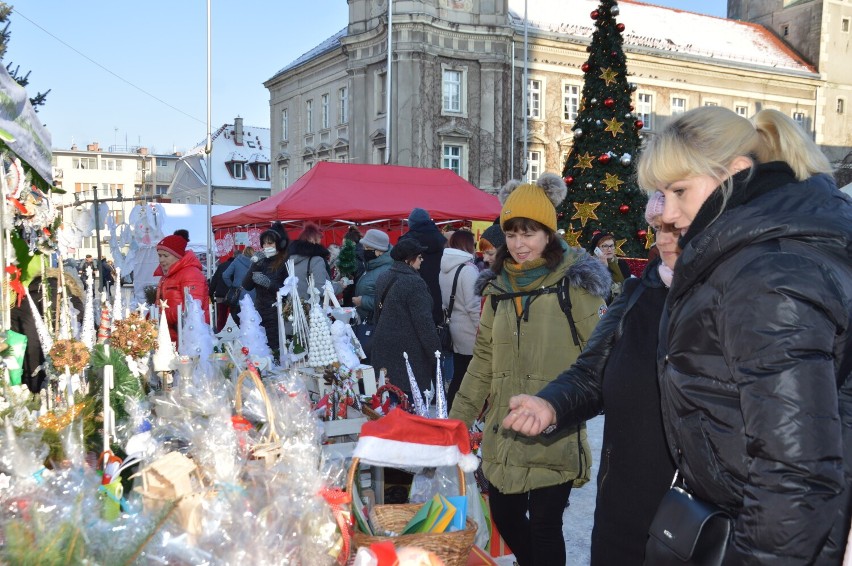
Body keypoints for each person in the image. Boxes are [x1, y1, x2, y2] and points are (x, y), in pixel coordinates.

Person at [635, 106, 852, 564]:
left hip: (765, 538)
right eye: (661, 193)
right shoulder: (747, 255)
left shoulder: (769, 270)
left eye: (679, 191)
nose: (668, 214)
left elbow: (797, 471)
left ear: (735, 173)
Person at [502, 192, 679, 566]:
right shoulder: (637, 296)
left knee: (544, 524)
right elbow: (591, 372)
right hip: (625, 505)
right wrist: (550, 403)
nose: (663, 240)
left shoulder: (739, 300)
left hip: (696, 507)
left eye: (677, 229)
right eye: (659, 228)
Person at [449, 173, 610, 566]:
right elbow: (482, 361)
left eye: (531, 233)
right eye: (513, 234)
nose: (520, 245)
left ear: (549, 234)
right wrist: (456, 421)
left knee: (545, 524)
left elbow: (603, 354)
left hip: (553, 425)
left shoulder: (575, 285)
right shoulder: (498, 289)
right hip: (505, 427)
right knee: (504, 514)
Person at [370, 238, 441, 395]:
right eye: (419, 257)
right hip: (408, 358)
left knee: (386, 404)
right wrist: (436, 354)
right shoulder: (414, 283)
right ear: (409, 259)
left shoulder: (383, 276)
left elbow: (377, 315)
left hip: (383, 350)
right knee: (408, 408)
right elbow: (425, 325)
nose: (422, 260)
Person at [438, 230, 481, 409]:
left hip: (455, 327)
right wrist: (484, 330)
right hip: (470, 331)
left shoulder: (445, 268)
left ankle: (451, 409)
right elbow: (473, 306)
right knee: (469, 375)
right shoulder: (468, 270)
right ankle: (458, 412)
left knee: (459, 373)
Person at [242, 222, 290, 353]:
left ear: (278, 245)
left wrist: (268, 283)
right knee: (260, 348)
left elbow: (286, 290)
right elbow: (246, 285)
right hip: (259, 310)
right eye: (264, 243)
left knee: (274, 347)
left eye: (270, 243)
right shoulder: (261, 261)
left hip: (276, 312)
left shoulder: (284, 262)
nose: (266, 246)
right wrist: (255, 264)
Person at [155, 234, 209, 342]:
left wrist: (162, 316)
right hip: (172, 335)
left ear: (178, 256)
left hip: (188, 337)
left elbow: (192, 308)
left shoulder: (190, 274)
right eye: (159, 255)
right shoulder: (166, 276)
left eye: (165, 256)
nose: (161, 260)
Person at [398, 207, 446, 325]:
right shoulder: (443, 241)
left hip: (412, 295)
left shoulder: (406, 242)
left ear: (411, 224)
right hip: (439, 293)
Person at [288, 222, 339, 298]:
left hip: (295, 306)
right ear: (311, 239)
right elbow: (321, 291)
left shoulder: (291, 259)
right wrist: (340, 286)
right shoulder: (316, 260)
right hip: (314, 307)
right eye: (319, 238)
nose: (320, 241)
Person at [352, 229, 393, 324]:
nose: (364, 251)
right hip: (368, 320)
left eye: (367, 248)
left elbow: (389, 302)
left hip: (378, 324)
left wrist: (363, 302)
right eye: (364, 247)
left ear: (379, 251)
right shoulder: (372, 265)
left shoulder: (387, 271)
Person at [588, 232, 631, 303]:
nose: (609, 249)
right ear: (596, 250)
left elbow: (628, 287)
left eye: (611, 246)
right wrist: (603, 268)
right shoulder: (590, 267)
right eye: (605, 246)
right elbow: (600, 293)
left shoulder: (622, 264)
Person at [222, 246, 255, 324]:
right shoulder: (256, 262)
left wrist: (232, 286)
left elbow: (225, 275)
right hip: (254, 294)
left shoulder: (237, 261)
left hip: (239, 293)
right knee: (253, 321)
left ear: (243, 252)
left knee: (239, 321)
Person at [209, 253, 235, 332]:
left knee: (222, 316)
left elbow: (214, 280)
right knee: (233, 316)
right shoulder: (236, 266)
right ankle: (231, 333)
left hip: (221, 295)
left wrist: (210, 293)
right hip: (233, 295)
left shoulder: (221, 266)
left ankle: (220, 332)